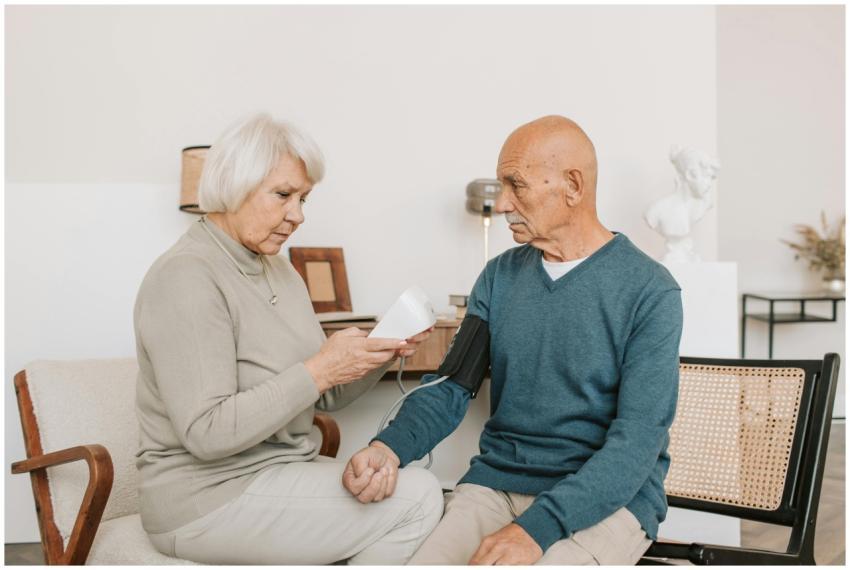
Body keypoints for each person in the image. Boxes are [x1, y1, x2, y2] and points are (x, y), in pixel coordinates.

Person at [343, 115, 684, 565]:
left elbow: (636, 443)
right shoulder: (499, 277)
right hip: (496, 486)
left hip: (605, 501)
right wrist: (388, 446)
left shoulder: (650, 290)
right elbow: (450, 387)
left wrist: (535, 531)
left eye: (516, 185)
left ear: (573, 186)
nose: (502, 203)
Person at [134, 113, 443, 565]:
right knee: (418, 499)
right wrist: (320, 370)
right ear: (233, 185)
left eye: (304, 198)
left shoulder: (278, 268)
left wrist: (378, 353)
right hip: (206, 499)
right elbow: (206, 432)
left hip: (279, 473)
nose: (297, 215)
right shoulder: (187, 275)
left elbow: (325, 395)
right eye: (283, 195)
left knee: (398, 484)